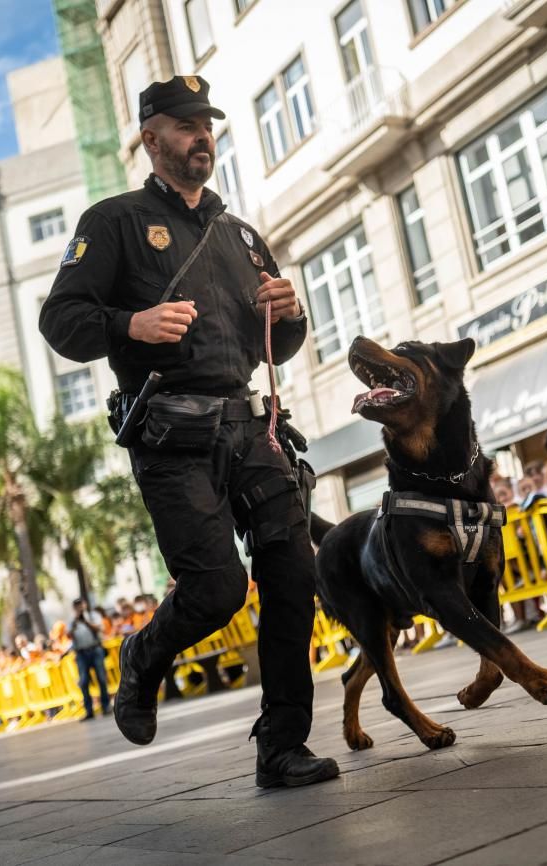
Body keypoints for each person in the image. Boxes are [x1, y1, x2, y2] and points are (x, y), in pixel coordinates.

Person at [37, 74, 337, 788]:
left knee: (294, 574)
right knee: (218, 591)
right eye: (184, 125)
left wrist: (289, 312)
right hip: (171, 439)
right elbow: (61, 321)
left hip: (251, 429)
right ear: (151, 138)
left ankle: (283, 746)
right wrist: (129, 324)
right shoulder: (113, 221)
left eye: (207, 124)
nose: (202, 136)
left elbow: (274, 345)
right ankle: (142, 658)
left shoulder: (239, 234)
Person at [70, 598, 113, 721]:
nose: (80, 608)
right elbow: (69, 635)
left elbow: (99, 629)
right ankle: (89, 710)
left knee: (101, 678)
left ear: (85, 605)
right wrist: (74, 624)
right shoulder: (73, 621)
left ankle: (106, 706)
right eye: (77, 606)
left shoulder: (93, 615)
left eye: (81, 605)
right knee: (83, 681)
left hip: (95, 650)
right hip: (81, 653)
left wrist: (85, 621)